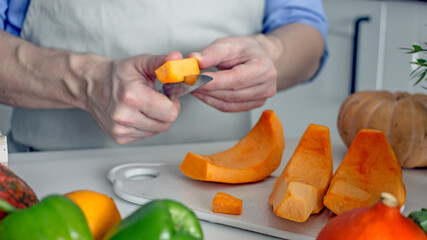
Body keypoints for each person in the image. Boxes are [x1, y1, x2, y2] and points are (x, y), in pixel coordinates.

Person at [0, 0, 328, 152]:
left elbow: (308, 37)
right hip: (53, 180)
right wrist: (87, 81)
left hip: (225, 184)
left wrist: (271, 52)